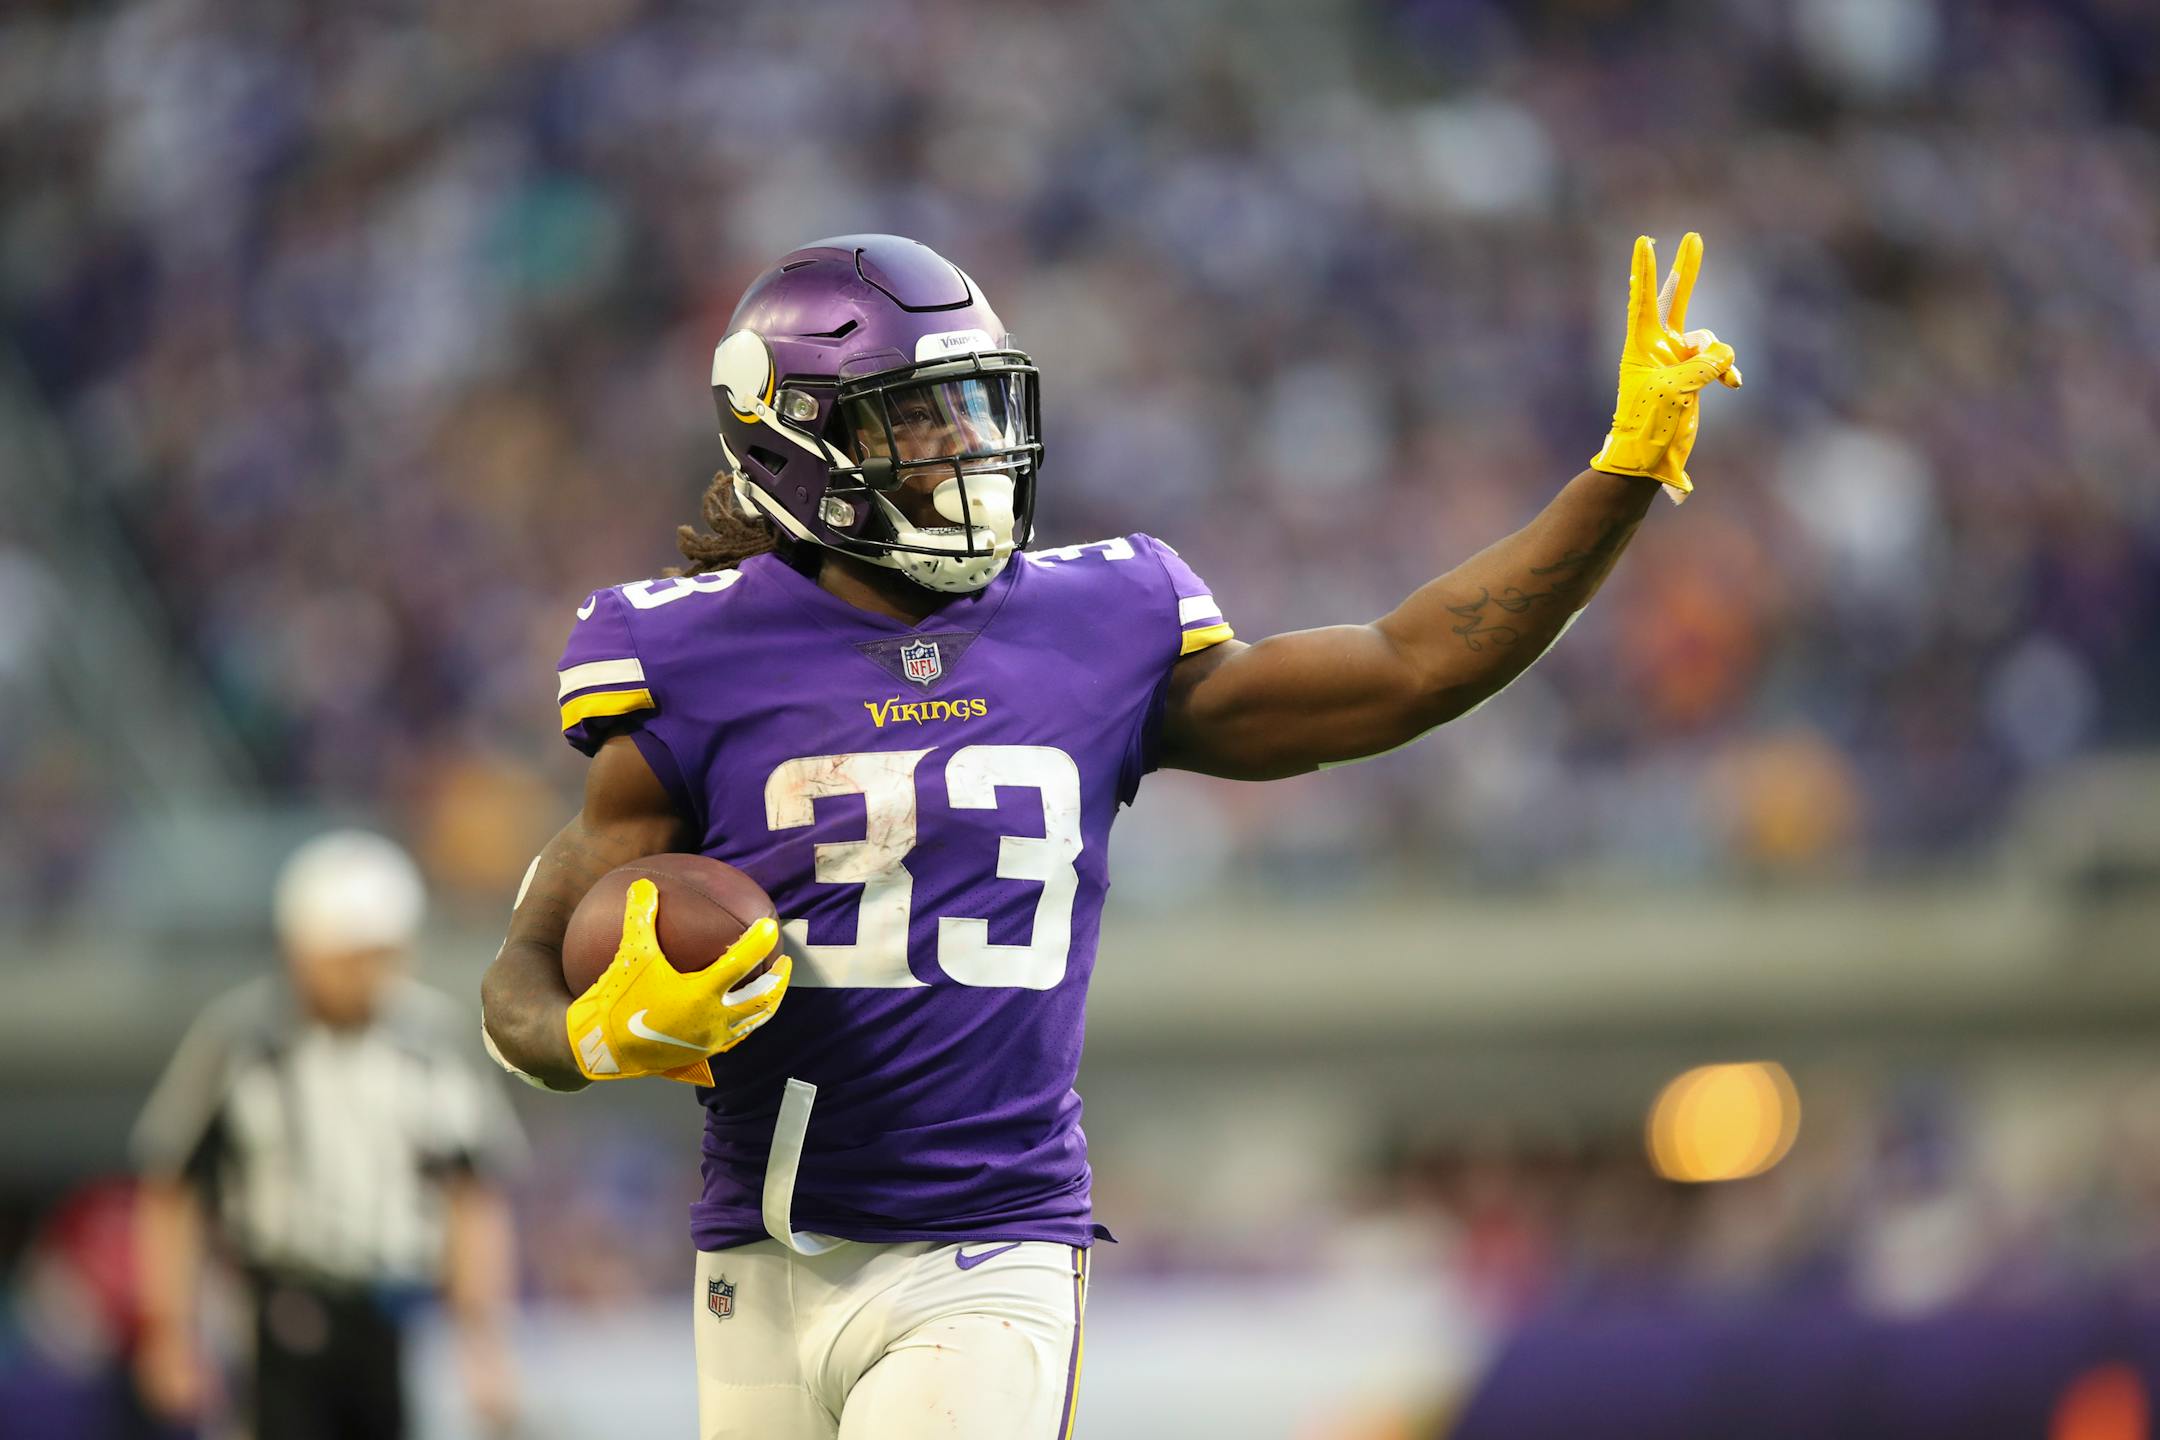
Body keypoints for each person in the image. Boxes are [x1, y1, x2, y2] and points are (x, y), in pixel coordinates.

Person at [479, 232, 1740, 1438]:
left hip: (984, 1246)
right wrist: (588, 1038)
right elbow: (521, 978)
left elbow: (1404, 669)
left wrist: (1618, 479)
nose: (959, 448)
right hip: (749, 1257)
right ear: (791, 441)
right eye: (913, 418)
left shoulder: (1102, 615)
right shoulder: (690, 652)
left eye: (971, 408)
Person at [134, 829, 525, 1440]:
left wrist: (484, 1342)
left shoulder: (434, 1043)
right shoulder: (239, 1039)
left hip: (399, 1313)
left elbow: (471, 1197)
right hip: (274, 1311)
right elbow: (173, 1191)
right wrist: (170, 1330)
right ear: (300, 948)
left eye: (378, 953)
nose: (363, 975)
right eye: (346, 955)